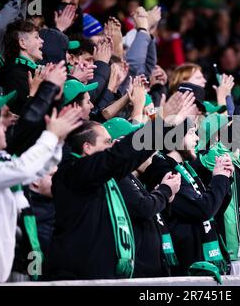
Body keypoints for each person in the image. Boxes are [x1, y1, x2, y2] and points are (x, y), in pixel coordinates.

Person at [48, 92, 197, 280]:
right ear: (87, 148)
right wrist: (159, 124)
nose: (111, 146)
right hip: (79, 276)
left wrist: (164, 127)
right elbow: (119, 156)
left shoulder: (100, 176)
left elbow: (128, 158)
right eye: (107, 142)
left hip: (101, 274)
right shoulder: (75, 173)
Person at [0, 91, 82, 283]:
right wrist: (50, 135)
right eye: (2, 118)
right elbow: (22, 169)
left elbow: (37, 170)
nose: (9, 122)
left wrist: (58, 140)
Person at [142, 119, 234, 276]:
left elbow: (213, 210)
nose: (197, 139)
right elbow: (201, 209)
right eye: (191, 133)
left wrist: (224, 177)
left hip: (199, 258)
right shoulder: (161, 170)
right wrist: (219, 179)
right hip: (185, 263)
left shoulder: (189, 170)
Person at [106, 117, 182, 277]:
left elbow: (155, 216)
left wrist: (166, 198)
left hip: (153, 264)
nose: (150, 152)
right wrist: (165, 191)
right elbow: (143, 209)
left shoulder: (136, 178)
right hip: (139, 269)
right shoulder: (119, 179)